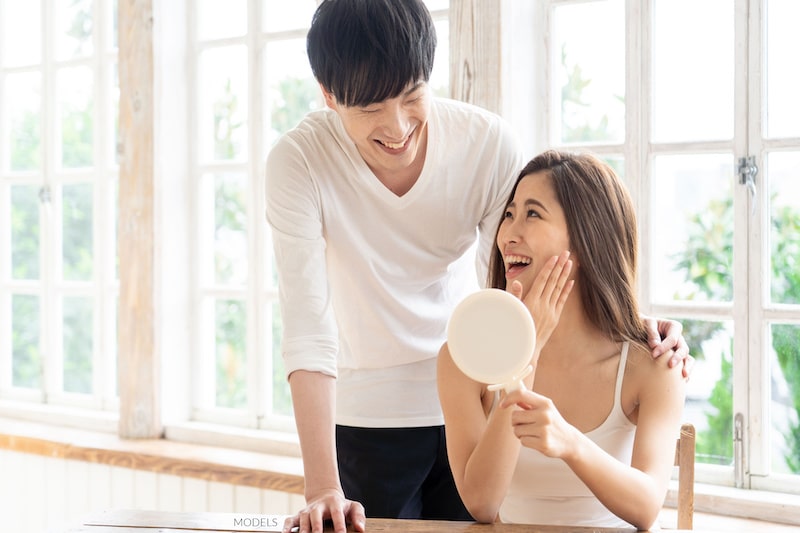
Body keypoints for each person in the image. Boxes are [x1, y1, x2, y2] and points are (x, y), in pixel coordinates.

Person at [265, 2, 691, 533]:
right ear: (328, 97)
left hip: (479, 389)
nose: (397, 127)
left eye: (412, 96)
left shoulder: (486, 143)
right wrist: (323, 487)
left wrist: (631, 321)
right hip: (373, 412)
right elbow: (308, 324)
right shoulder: (299, 162)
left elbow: (532, 264)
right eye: (372, 107)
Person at [437, 150, 688, 530]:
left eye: (533, 214)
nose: (508, 234)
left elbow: (646, 507)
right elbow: (482, 503)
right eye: (509, 214)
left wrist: (570, 442)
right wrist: (527, 352)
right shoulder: (462, 360)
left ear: (587, 240)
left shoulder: (652, 363)